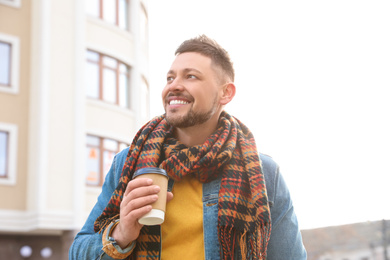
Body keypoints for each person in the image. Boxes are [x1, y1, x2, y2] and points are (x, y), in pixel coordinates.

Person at [69, 35, 307, 259]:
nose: (174, 86)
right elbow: (76, 252)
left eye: (190, 76)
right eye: (170, 78)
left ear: (226, 92)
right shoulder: (128, 163)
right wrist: (120, 234)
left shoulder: (264, 173)